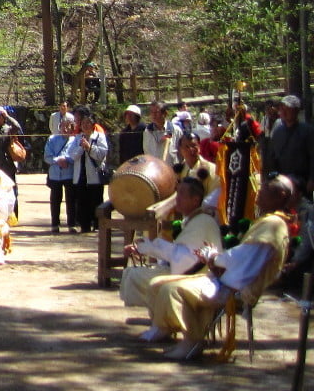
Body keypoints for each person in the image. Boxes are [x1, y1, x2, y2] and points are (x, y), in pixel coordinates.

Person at [142, 176, 294, 360]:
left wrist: (213, 257)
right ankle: (164, 329)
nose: (258, 194)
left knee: (172, 289)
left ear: (280, 196)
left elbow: (241, 258)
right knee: (158, 283)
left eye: (264, 191)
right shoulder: (268, 222)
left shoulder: (273, 225)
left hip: (234, 289)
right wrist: (215, 261)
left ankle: (192, 341)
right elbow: (240, 258)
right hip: (222, 279)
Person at [119, 177, 221, 312]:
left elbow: (185, 260)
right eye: (177, 194)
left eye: (182, 195)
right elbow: (179, 255)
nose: (177, 199)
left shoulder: (203, 221)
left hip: (201, 277)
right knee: (131, 273)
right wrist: (146, 247)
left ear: (195, 200)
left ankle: (163, 320)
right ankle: (160, 317)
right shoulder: (193, 219)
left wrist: (148, 247)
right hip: (186, 271)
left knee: (135, 275)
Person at [262, 94, 314, 198]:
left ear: (296, 110)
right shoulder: (277, 132)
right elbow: (272, 158)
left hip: (301, 181)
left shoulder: (308, 131)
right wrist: (269, 179)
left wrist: (312, 179)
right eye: (282, 109)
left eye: (288, 109)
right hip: (281, 180)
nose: (284, 112)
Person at [67, 106, 109, 233]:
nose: (85, 125)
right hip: (80, 175)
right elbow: (72, 155)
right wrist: (81, 147)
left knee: (96, 200)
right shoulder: (77, 138)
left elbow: (101, 154)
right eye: (83, 123)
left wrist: (89, 147)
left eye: (88, 123)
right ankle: (84, 225)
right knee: (82, 201)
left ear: (93, 125)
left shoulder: (99, 137)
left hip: (94, 174)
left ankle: (97, 225)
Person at [172, 132, 220, 211]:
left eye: (194, 146)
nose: (191, 150)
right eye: (186, 147)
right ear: (180, 150)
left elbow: (213, 201)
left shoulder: (212, 170)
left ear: (199, 147)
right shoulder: (179, 170)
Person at [44, 114, 76, 233]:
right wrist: (58, 160)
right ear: (59, 126)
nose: (66, 129)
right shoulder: (52, 139)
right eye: (64, 126)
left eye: (69, 126)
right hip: (55, 174)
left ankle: (71, 224)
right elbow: (47, 156)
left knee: (71, 200)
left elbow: (76, 155)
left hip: (69, 173)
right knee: (55, 200)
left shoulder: (75, 140)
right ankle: (55, 224)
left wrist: (67, 160)